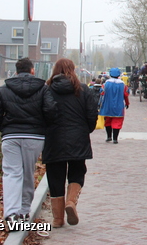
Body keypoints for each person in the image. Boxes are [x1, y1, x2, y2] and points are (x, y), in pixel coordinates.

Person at [0, 58, 57, 225]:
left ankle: (11, 213)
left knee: (11, 173)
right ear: (32, 70)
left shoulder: (4, 89)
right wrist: (43, 127)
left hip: (10, 136)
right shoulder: (42, 88)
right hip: (34, 137)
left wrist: (4, 128)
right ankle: (24, 211)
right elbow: (50, 110)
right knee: (28, 172)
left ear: (16, 71)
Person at [43, 58, 98, 228]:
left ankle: (57, 219)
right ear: (73, 70)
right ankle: (71, 202)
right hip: (78, 138)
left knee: (55, 177)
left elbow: (43, 113)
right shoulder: (82, 89)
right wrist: (85, 130)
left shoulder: (47, 90)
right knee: (77, 171)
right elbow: (92, 114)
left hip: (54, 139)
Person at [99, 67, 130, 143]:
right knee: (117, 122)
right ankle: (115, 138)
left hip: (107, 105)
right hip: (118, 106)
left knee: (108, 121)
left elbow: (102, 93)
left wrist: (100, 104)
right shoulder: (123, 85)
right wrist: (127, 103)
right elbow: (126, 94)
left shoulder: (105, 84)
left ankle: (109, 136)